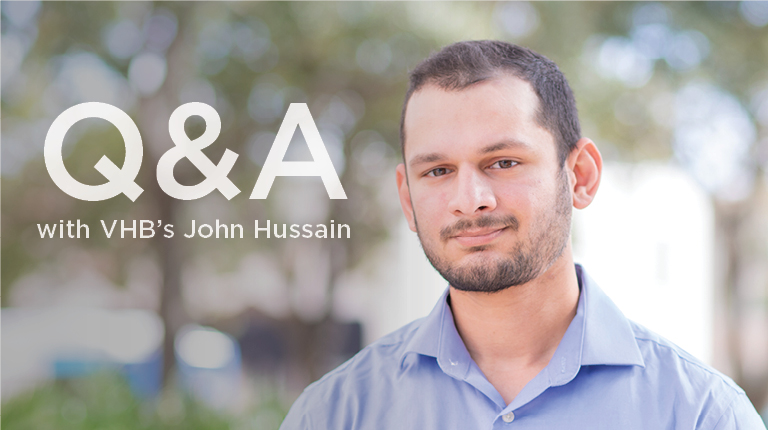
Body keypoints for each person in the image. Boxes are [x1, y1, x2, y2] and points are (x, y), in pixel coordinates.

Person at [279, 40, 766, 429]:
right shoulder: (332, 414)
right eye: (438, 171)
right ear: (406, 198)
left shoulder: (702, 414)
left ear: (581, 175)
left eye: (504, 162)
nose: (469, 199)